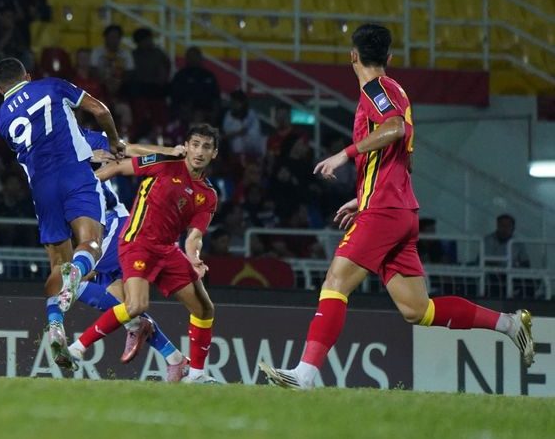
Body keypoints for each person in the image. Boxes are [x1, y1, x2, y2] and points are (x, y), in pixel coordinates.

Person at [259, 24, 535, 390]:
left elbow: (395, 131)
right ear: (388, 58)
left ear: (352, 56)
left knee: (335, 281)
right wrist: (364, 195)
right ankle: (510, 324)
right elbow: (402, 157)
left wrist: (344, 154)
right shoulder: (397, 90)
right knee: (417, 309)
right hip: (398, 209)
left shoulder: (376, 89)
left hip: (387, 210)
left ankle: (305, 375)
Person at [0, 57, 125, 367]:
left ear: (1, 90)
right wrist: (115, 141)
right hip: (74, 173)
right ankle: (77, 272)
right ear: (28, 75)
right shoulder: (51, 86)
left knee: (56, 263)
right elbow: (100, 110)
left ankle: (55, 327)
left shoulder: (1, 117)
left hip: (42, 187)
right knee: (91, 240)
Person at [65, 124, 221, 384]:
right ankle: (78, 347)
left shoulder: (208, 195)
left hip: (168, 250)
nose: (199, 151)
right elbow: (117, 167)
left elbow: (194, 236)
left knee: (204, 308)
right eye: (195, 144)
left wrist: (193, 257)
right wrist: (82, 188)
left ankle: (196, 375)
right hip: (137, 242)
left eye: (206, 147)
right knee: (136, 305)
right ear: (187, 146)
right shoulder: (166, 163)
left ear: (214, 153)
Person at [78, 128, 190, 380]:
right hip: (89, 233)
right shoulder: (36, 154)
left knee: (70, 282)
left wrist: (169, 153)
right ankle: (176, 359)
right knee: (120, 302)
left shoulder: (84, 137)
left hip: (112, 224)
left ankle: (133, 325)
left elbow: (128, 150)